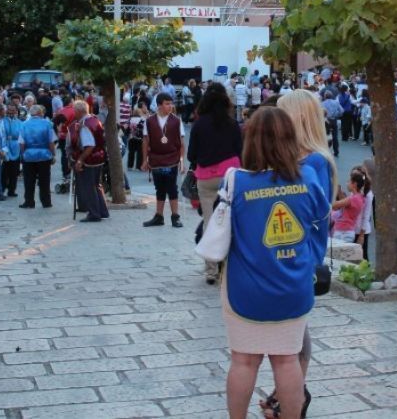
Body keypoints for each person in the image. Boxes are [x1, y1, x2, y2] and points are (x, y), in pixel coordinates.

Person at [222, 107, 330, 419]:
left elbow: (222, 232)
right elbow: (322, 222)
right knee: (287, 360)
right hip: (293, 284)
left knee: (243, 360)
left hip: (245, 288)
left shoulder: (237, 182)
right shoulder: (307, 177)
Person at [186, 83, 242, 285]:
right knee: (231, 221)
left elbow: (191, 154)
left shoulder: (199, 125)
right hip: (231, 177)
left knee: (210, 222)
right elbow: (240, 150)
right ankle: (227, 266)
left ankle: (211, 270)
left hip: (207, 178)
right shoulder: (232, 124)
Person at [141, 93, 185, 228]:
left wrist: (182, 161)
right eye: (167, 103)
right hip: (155, 159)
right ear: (159, 105)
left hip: (172, 158)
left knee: (172, 188)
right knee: (159, 188)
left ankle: (175, 216)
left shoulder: (177, 121)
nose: (170, 106)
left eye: (171, 103)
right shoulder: (149, 121)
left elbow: (182, 143)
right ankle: (159, 216)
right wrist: (144, 160)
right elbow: (145, 141)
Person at [68, 100, 109, 222]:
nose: (73, 113)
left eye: (74, 111)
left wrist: (80, 160)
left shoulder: (85, 124)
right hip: (99, 157)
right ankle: (102, 211)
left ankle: (94, 213)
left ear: (79, 111)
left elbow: (89, 145)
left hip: (90, 160)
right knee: (96, 185)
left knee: (89, 187)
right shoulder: (94, 119)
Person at [19, 105, 57, 209]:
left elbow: (21, 143)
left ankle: (29, 201)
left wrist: (23, 154)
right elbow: (51, 142)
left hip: (29, 155)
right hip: (44, 155)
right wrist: (53, 154)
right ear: (41, 113)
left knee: (29, 180)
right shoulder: (47, 124)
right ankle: (46, 201)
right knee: (45, 180)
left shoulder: (24, 124)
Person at [331, 168, 367, 242]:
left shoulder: (352, 199)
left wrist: (334, 191)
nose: (347, 183)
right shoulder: (361, 197)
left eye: (349, 181)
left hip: (342, 232)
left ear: (354, 184)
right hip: (349, 230)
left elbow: (334, 205)